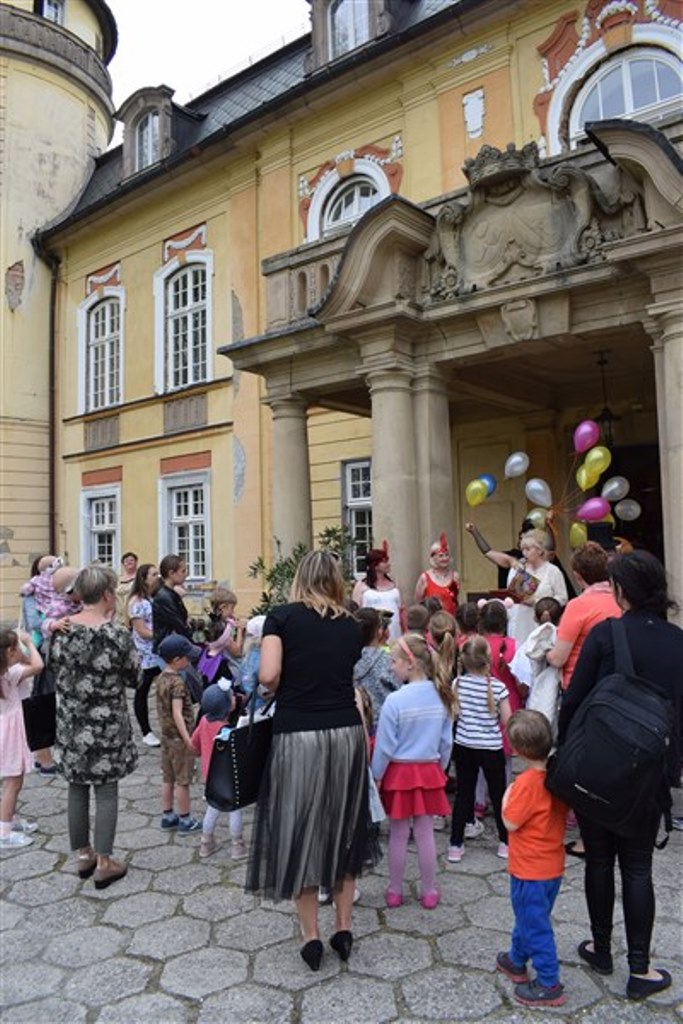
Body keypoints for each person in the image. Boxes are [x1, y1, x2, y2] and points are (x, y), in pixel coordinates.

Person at [558, 550, 682, 1002]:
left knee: (598, 859)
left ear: (620, 590)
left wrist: (566, 751)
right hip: (650, 771)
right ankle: (641, 967)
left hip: (600, 765)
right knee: (638, 865)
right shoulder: (678, 640)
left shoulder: (606, 634)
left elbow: (574, 699)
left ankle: (600, 948)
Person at [246, 550, 379, 972]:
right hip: (345, 733)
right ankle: (344, 927)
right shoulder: (351, 625)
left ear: (299, 579)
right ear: (336, 580)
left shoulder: (280, 619)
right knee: (344, 828)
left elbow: (268, 675)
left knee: (300, 829)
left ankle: (311, 936)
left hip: (298, 734)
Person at [49, 566, 140, 889]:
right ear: (106, 595)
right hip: (107, 725)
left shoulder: (62, 630)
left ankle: (83, 855)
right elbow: (135, 678)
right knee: (106, 790)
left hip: (71, 723)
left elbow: (53, 668)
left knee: (76, 787)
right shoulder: (116, 635)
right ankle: (104, 862)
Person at [372, 632, 454, 910]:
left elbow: (384, 745)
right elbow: (446, 742)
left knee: (397, 833)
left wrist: (377, 774)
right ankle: (429, 890)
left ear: (410, 663)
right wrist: (440, 769)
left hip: (399, 773)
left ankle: (395, 890)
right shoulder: (441, 697)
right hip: (428, 771)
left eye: (394, 661)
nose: (391, 666)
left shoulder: (395, 701)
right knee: (425, 832)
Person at [497, 710, 568, 1008]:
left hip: (529, 871)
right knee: (529, 917)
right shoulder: (557, 777)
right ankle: (516, 959)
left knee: (535, 925)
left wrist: (507, 795)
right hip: (552, 867)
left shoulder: (526, 783)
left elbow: (510, 822)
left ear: (518, 750)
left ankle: (549, 982)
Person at [448, 636, 512, 863]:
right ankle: (505, 843)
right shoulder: (498, 687)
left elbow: (454, 714)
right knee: (498, 794)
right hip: (491, 747)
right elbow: (507, 720)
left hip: (464, 745)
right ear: (488, 658)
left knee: (464, 794)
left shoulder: (457, 684)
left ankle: (455, 845)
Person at [465, 523, 568, 644]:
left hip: (542, 621)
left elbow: (562, 598)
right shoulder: (521, 569)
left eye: (528, 549)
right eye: (523, 549)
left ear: (540, 551)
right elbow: (514, 595)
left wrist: (538, 602)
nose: (524, 553)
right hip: (521, 620)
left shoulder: (552, 571)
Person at [190, 681, 247, 860]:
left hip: (209, 777)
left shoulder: (204, 721)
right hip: (228, 777)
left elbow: (194, 745)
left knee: (212, 807)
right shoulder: (228, 731)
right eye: (231, 697)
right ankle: (237, 845)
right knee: (234, 809)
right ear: (227, 707)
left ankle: (206, 843)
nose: (234, 698)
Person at [0, 629, 44, 848]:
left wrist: (20, 649)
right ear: (10, 651)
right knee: (14, 782)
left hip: (5, 730)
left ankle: (11, 819)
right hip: (11, 733)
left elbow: (27, 662)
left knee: (12, 779)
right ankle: (4, 833)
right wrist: (29, 642)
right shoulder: (12, 673)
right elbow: (38, 665)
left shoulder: (7, 671)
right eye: (17, 647)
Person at [156, 634, 203, 835]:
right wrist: (188, 739)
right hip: (179, 739)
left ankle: (167, 815)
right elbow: (177, 713)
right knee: (183, 781)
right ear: (176, 660)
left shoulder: (161, 678)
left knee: (168, 778)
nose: (189, 660)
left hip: (166, 737)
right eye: (187, 657)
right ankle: (185, 819)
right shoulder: (177, 683)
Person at [128, 563, 162, 747]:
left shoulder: (152, 598)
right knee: (143, 690)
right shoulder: (137, 602)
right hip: (145, 654)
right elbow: (141, 631)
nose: (157, 577)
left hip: (157, 651)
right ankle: (146, 731)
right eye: (153, 574)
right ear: (144, 578)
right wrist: (161, 634)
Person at [352, 607, 398, 721]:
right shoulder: (389, 660)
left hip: (360, 721)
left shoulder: (348, 660)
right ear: (380, 631)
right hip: (387, 721)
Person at [352, 542, 403, 642]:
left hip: (394, 630)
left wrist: (405, 630)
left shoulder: (393, 583)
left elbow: (401, 610)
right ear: (375, 565)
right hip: (373, 632)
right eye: (384, 562)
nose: (388, 564)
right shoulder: (361, 586)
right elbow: (355, 612)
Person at [414, 533, 460, 615]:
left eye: (447, 555)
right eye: (441, 556)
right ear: (433, 558)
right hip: (431, 620)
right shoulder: (425, 578)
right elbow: (418, 602)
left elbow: (455, 600)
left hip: (451, 618)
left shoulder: (455, 576)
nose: (444, 558)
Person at [115, 551, 138, 626]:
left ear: (136, 562)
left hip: (133, 611)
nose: (129, 562)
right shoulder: (117, 579)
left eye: (131, 560)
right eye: (126, 561)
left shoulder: (139, 578)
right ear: (123, 564)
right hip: (119, 613)